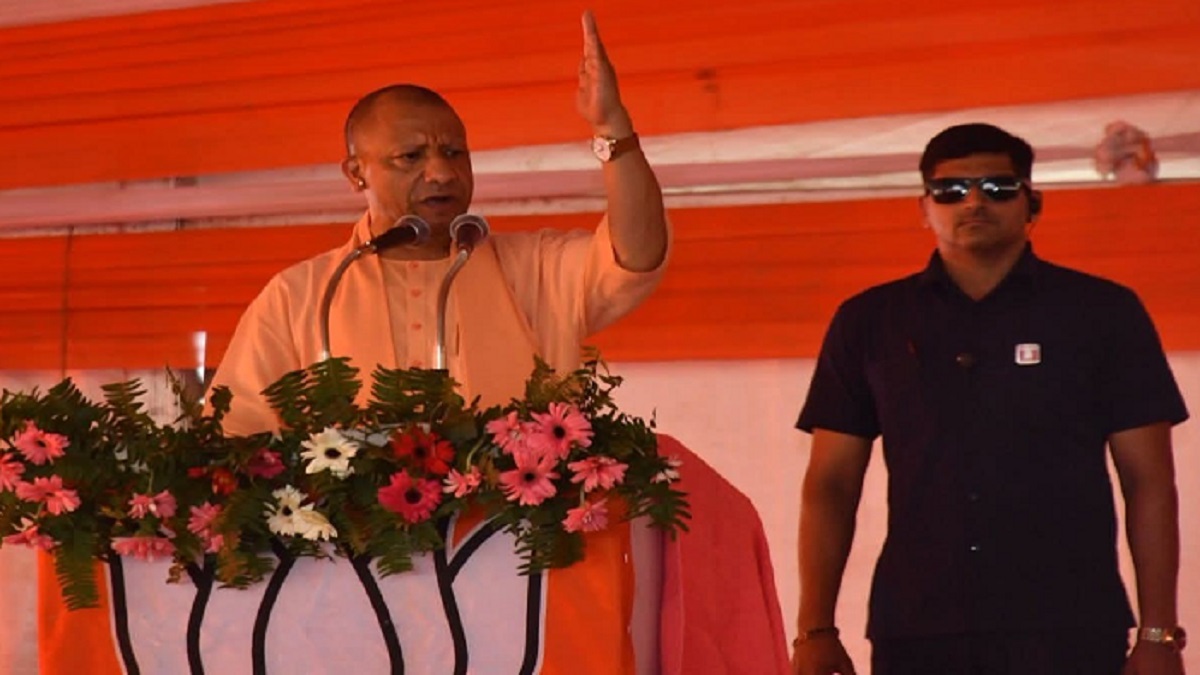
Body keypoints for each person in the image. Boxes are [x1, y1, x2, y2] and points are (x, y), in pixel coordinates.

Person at [792, 123, 1188, 675]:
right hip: (918, 626)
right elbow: (831, 484)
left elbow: (1148, 482)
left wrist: (1158, 634)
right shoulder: (869, 322)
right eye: (951, 190)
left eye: (997, 187)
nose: (973, 201)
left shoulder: (1103, 314)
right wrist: (814, 629)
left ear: (1033, 202)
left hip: (1069, 625)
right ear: (923, 206)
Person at [209, 10, 668, 436]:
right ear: (356, 174)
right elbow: (234, 437)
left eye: (454, 153)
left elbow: (636, 256)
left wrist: (613, 128)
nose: (442, 173)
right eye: (411, 157)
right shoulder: (303, 296)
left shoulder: (535, 268)